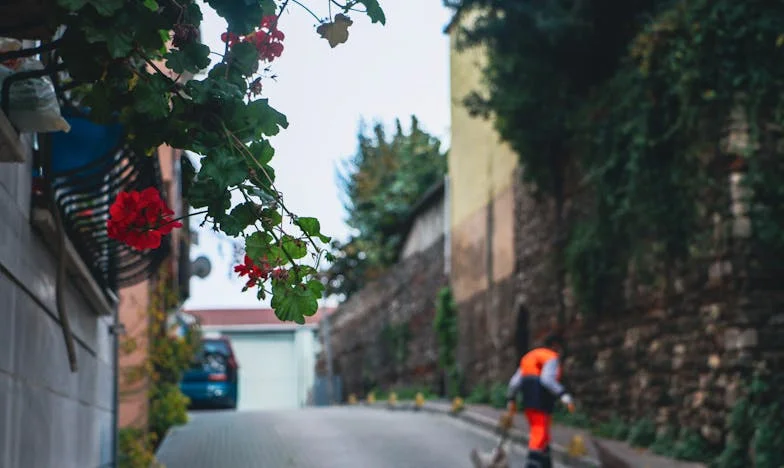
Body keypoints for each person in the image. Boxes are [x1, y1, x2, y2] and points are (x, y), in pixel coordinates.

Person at [501, 334, 575, 468]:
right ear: (556, 346)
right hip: (541, 398)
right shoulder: (551, 357)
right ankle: (532, 464)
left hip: (528, 400)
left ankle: (545, 463)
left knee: (543, 432)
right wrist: (563, 394)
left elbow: (514, 382)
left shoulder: (528, 357)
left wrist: (511, 399)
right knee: (539, 432)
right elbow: (547, 380)